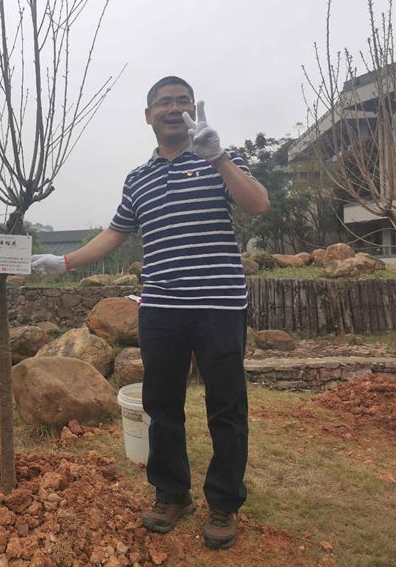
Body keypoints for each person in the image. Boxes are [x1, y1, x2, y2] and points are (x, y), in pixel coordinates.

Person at [31, 76, 270, 550]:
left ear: (193, 111)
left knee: (226, 406)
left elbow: (259, 204)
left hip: (218, 305)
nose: (174, 108)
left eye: (182, 101)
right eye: (164, 102)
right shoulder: (138, 179)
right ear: (148, 115)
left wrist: (219, 156)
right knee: (162, 406)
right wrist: (65, 261)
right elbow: (114, 234)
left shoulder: (220, 158)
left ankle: (223, 501)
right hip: (160, 308)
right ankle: (172, 493)